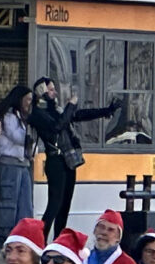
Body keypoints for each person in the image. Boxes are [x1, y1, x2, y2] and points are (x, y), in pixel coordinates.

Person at [30, 77, 123, 236]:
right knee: (54, 205)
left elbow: (78, 115)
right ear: (42, 92)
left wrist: (106, 111)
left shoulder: (58, 110)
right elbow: (58, 126)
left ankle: (60, 241)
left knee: (65, 204)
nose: (55, 92)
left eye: (54, 89)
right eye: (51, 90)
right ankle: (40, 240)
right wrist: (71, 105)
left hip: (67, 160)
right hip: (55, 161)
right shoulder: (38, 113)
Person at [0, 85, 36, 233]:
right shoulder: (10, 115)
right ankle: (5, 234)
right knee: (9, 201)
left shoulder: (22, 116)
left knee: (25, 203)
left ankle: (24, 234)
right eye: (28, 99)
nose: (30, 103)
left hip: (23, 162)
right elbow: (18, 137)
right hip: (10, 161)